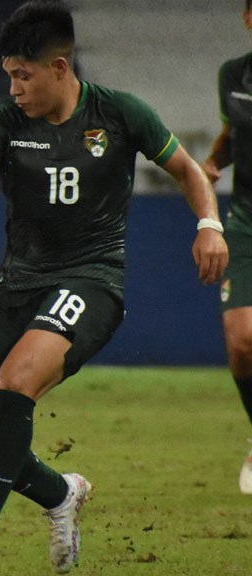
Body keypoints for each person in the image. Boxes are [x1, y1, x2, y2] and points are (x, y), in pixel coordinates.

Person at [0, 2, 229, 574]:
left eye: (24, 75)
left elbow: (188, 171)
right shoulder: (3, 124)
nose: (14, 88)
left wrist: (209, 225)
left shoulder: (120, 113)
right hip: (18, 288)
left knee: (16, 383)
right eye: (9, 75)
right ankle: (61, 494)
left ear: (60, 68)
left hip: (92, 281)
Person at [202, 0, 252, 496]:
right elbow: (233, 134)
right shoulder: (233, 75)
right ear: (248, 18)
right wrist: (214, 162)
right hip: (245, 218)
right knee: (241, 342)